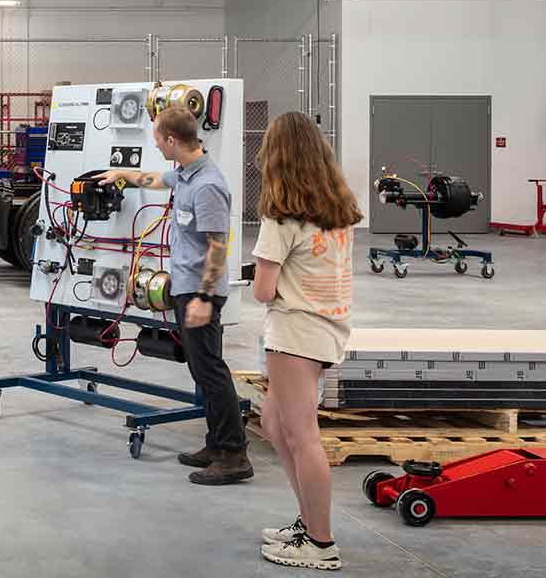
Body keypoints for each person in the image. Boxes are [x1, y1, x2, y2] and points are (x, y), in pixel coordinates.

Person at [97, 106, 251, 486]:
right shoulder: (184, 174)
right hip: (186, 288)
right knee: (202, 369)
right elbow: (154, 178)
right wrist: (122, 175)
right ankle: (216, 444)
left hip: (201, 292)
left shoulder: (208, 185)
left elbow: (218, 246)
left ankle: (233, 454)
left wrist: (202, 297)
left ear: (171, 140)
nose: (153, 141)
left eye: (156, 137)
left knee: (211, 371)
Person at [251, 111, 361, 573]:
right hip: (326, 328)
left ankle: (321, 542)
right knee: (275, 424)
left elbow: (262, 289)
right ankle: (308, 521)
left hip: (295, 332)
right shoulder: (337, 207)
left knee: (303, 437)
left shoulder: (281, 214)